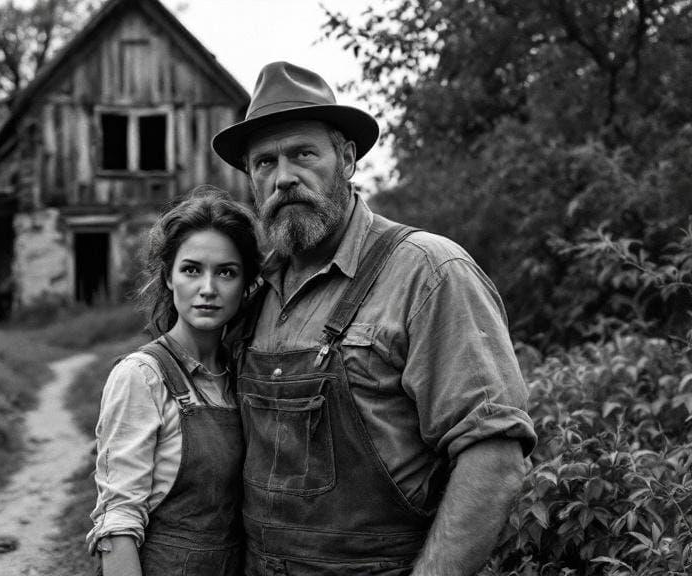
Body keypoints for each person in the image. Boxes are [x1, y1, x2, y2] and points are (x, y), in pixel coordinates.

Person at [210, 61, 538, 575]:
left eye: (302, 154)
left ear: (346, 159)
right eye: (264, 164)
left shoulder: (428, 272)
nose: (284, 178)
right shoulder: (249, 292)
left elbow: (494, 457)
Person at [87, 187, 261, 576]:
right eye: (192, 269)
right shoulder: (142, 376)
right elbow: (118, 524)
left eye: (227, 272)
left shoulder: (243, 377)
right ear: (168, 277)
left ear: (247, 284)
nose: (208, 289)